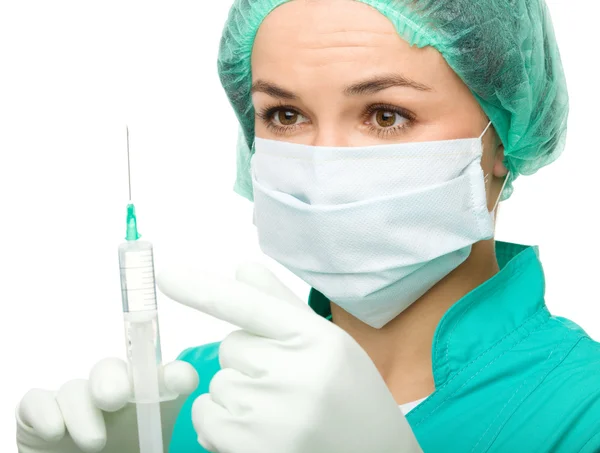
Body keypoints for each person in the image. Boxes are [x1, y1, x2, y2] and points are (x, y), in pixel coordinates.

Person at [16, 0, 600, 452]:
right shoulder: (193, 393)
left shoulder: (583, 409)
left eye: (385, 115)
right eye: (285, 115)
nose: (324, 165)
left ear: (504, 136)